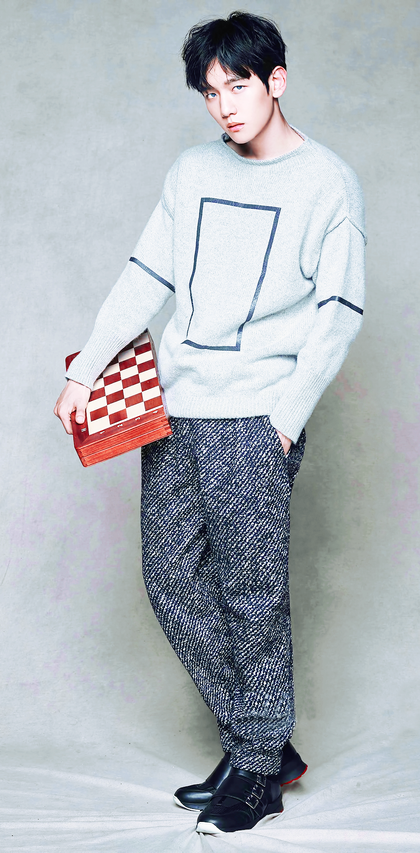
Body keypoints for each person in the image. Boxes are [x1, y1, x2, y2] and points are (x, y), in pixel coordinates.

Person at [54, 11, 366, 835]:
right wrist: (86, 369)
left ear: (277, 81)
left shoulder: (326, 182)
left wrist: (285, 420)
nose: (225, 105)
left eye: (239, 85)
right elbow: (146, 275)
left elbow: (338, 310)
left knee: (252, 596)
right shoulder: (192, 171)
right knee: (170, 577)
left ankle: (257, 772)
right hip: (177, 412)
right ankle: (261, 743)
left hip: (257, 416)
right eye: (210, 91)